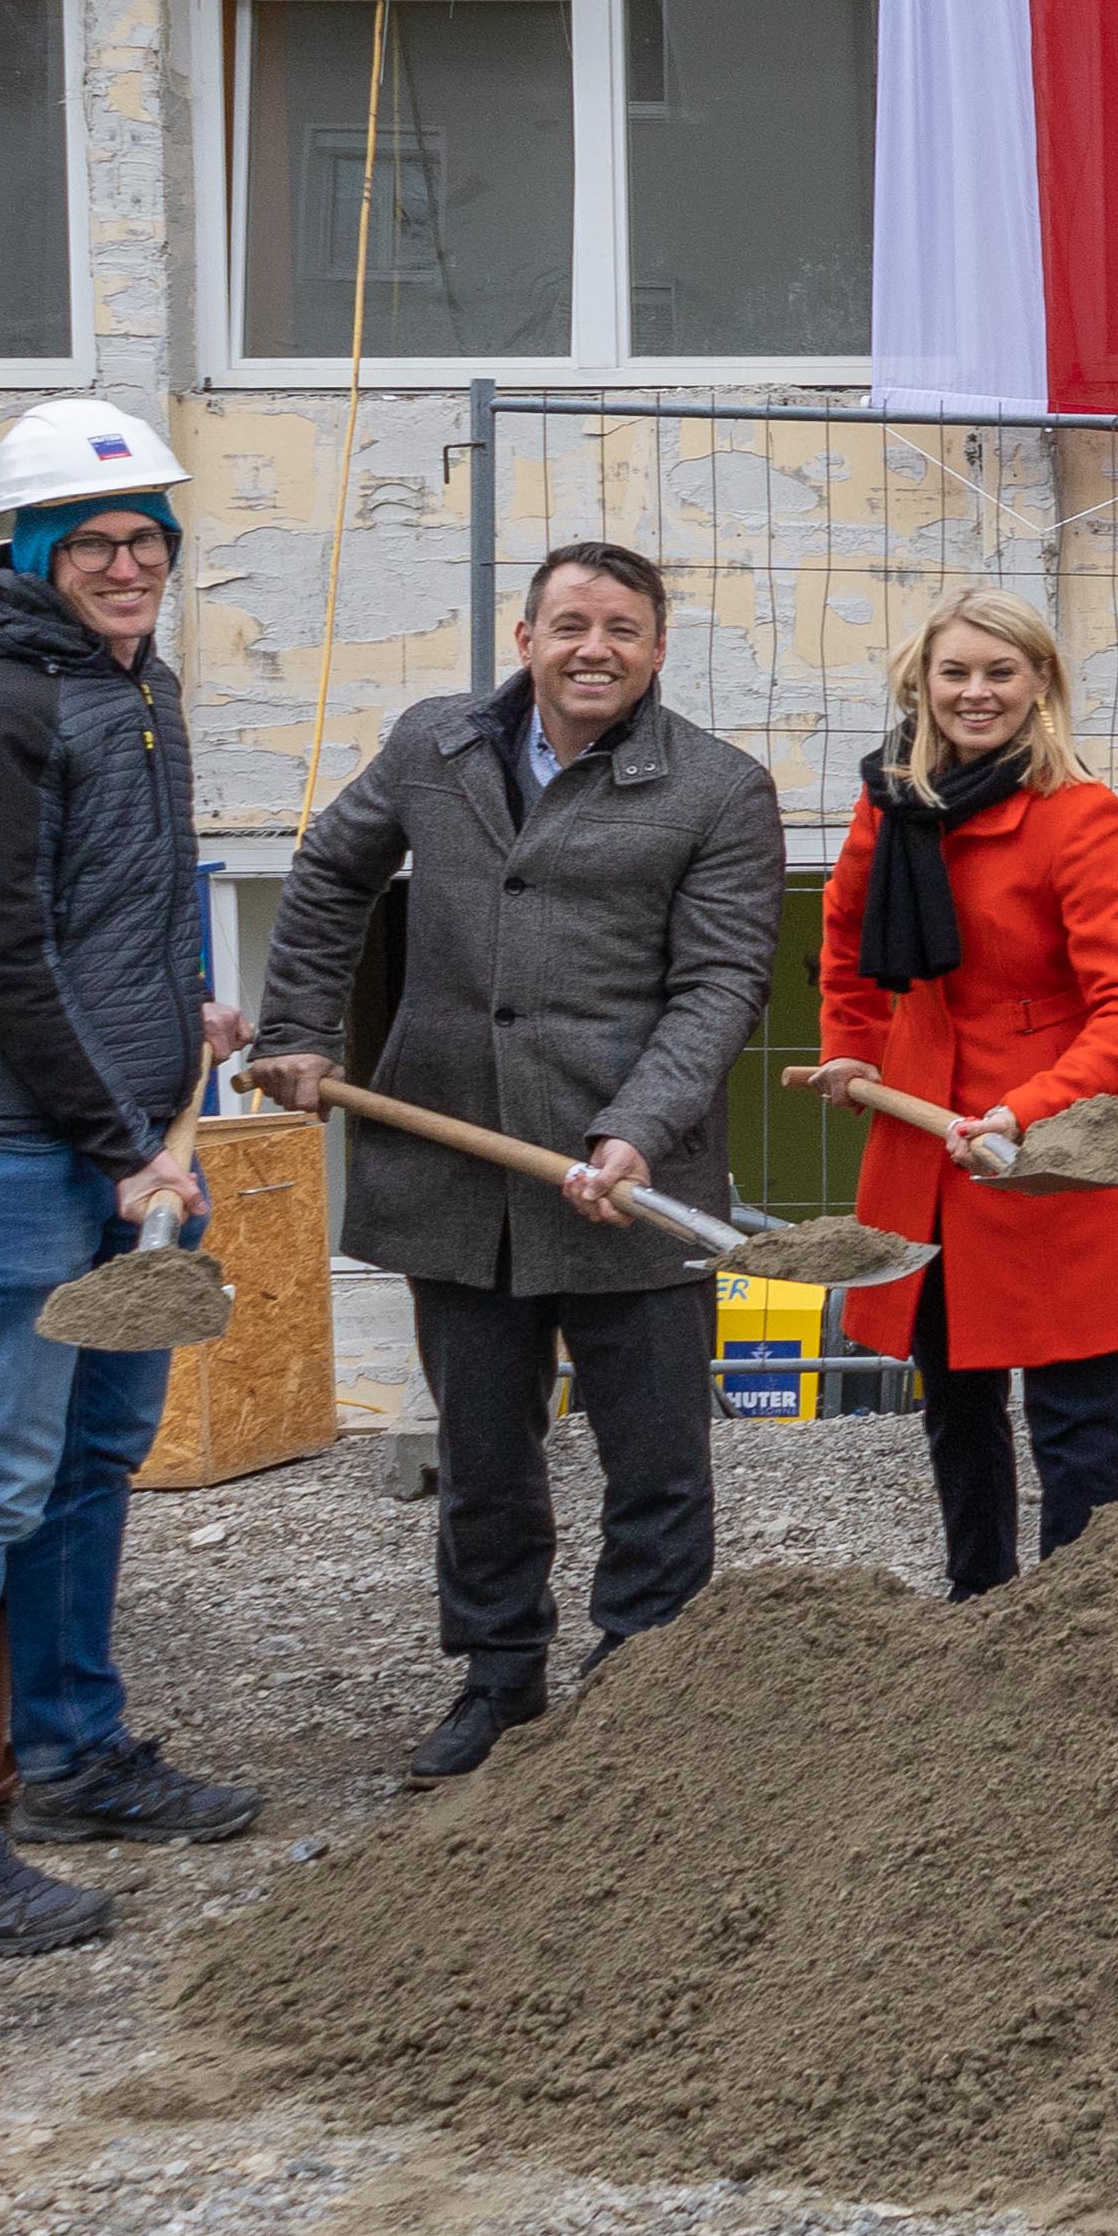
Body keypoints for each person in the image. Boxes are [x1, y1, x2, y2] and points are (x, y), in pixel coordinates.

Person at [240, 538, 784, 1783]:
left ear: (658, 650)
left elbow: (718, 983)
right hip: (457, 1173)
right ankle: (499, 1678)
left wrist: (637, 1123)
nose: (595, 648)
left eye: (623, 629)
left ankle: (644, 1675)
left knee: (655, 1456)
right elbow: (329, 873)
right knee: (483, 1450)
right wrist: (298, 1030)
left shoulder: (716, 786)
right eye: (571, 623)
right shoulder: (437, 745)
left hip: (629, 1180)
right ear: (526, 637)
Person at [0, 399, 266, 1954]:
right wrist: (116, 1148)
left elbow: (106, 913)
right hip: (33, 1150)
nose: (126, 563)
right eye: (92, 541)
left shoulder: (128, 682)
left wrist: (189, 1022)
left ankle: (78, 1756)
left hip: (130, 1132)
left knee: (95, 1457)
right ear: (29, 549)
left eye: (146, 539)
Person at [819, 586, 1118, 1597]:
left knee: (1074, 1414)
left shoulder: (1082, 817)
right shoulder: (888, 805)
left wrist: (1028, 1108)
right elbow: (844, 944)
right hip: (924, 1146)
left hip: (1054, 1156)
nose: (976, 693)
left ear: (1041, 685)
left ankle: (1078, 1615)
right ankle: (977, 1603)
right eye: (955, 672)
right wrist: (851, 1048)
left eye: (1000, 672)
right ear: (921, 684)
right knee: (956, 1402)